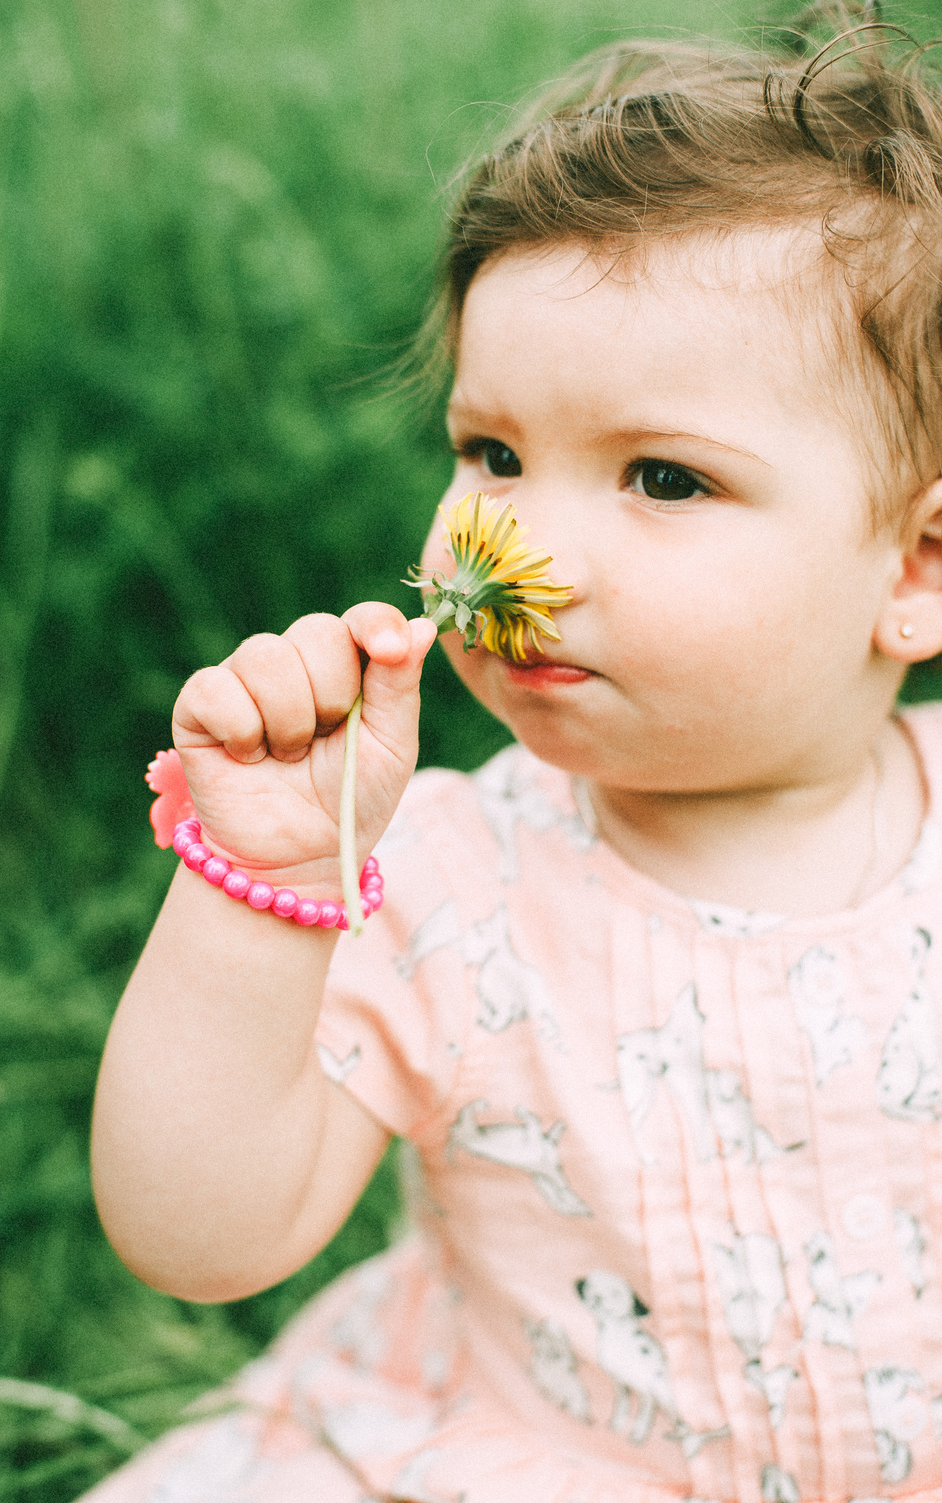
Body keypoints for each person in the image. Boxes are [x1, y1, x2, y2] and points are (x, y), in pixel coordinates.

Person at [82, 8, 942, 1500]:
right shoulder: (449, 873)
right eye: (492, 455)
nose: (518, 546)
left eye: (663, 477)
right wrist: (264, 882)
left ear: (919, 564)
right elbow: (201, 1235)